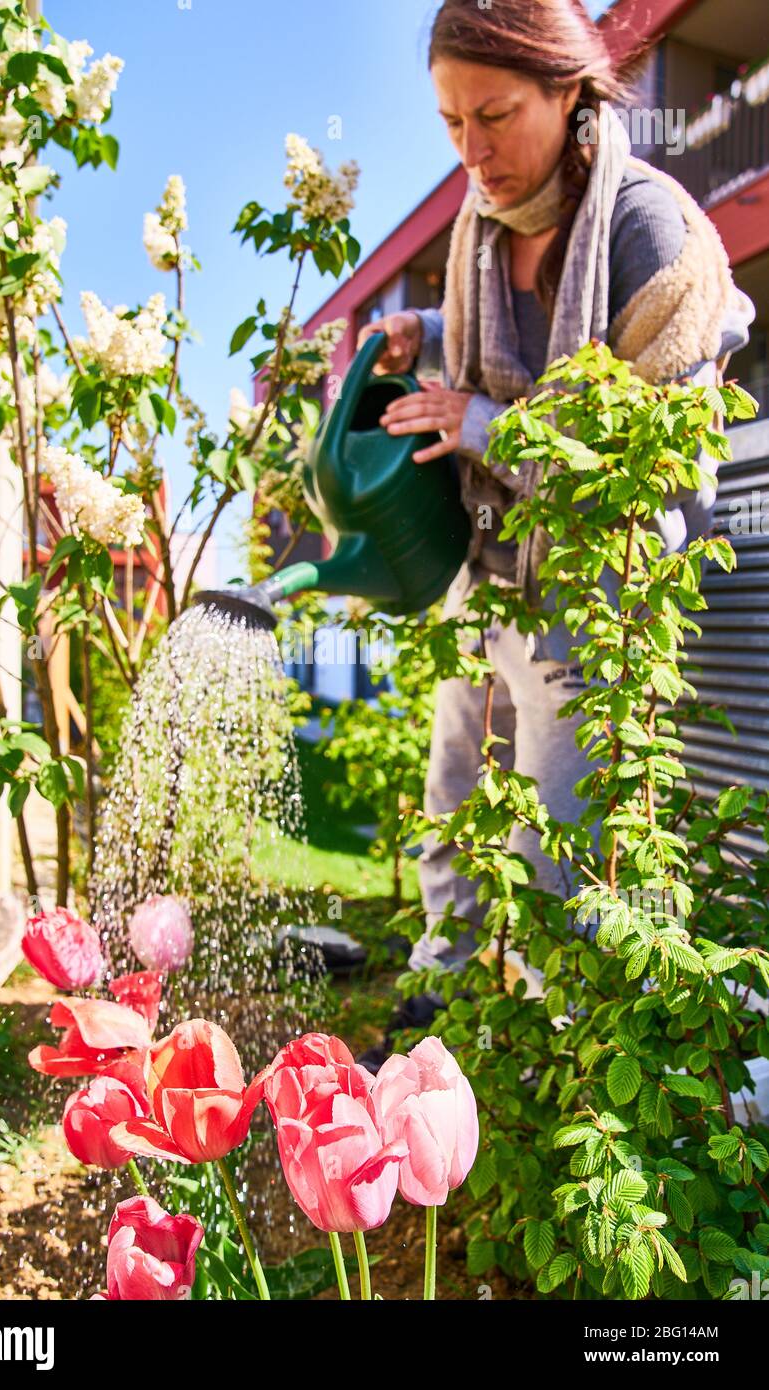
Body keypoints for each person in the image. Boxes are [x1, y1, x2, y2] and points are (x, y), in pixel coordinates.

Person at [356, 0, 754, 1073]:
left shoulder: (649, 237)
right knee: (451, 794)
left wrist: (476, 423)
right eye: (447, 122)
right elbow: (509, 348)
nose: (470, 151)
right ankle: (440, 991)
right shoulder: (485, 227)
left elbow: (645, 476)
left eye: (492, 114)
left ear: (567, 93)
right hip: (487, 554)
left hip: (592, 588)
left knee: (550, 840)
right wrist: (423, 333)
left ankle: (546, 1058)